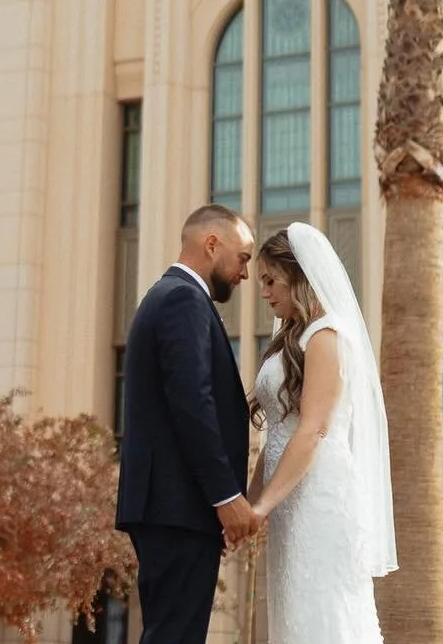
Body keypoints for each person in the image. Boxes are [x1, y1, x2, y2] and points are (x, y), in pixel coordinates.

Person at [115, 204, 259, 644]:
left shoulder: (169, 296)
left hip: (171, 506)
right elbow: (192, 401)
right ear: (212, 244)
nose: (245, 273)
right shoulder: (183, 299)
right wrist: (225, 496)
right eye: (243, 258)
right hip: (177, 507)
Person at [247, 223, 397, 643]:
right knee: (295, 612)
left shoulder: (326, 336)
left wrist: (262, 507)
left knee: (324, 612)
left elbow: (313, 430)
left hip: (319, 498)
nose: (264, 292)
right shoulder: (291, 340)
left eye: (271, 280)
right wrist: (250, 504)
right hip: (289, 502)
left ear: (298, 276)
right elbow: (279, 433)